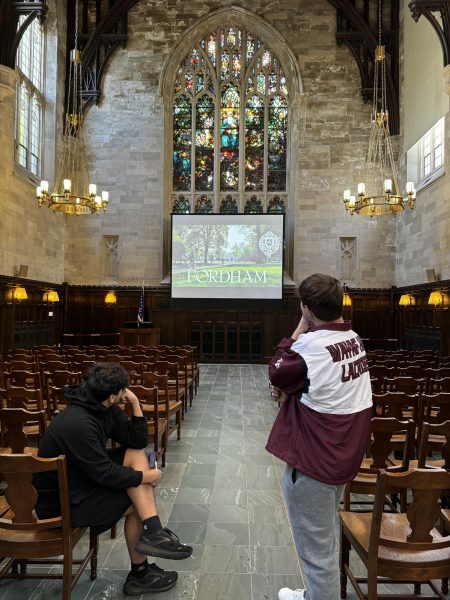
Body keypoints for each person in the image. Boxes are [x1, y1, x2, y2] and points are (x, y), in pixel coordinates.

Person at [33, 362, 192, 596]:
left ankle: (153, 533)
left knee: (138, 456)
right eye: (123, 390)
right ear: (112, 395)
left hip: (79, 479)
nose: (126, 392)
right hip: (62, 501)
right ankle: (141, 571)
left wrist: (136, 404)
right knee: (137, 502)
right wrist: (146, 476)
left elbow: (137, 442)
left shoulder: (102, 407)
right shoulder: (78, 423)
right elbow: (103, 474)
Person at [266, 274, 372, 600]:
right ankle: (312, 594)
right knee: (322, 538)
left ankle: (320, 594)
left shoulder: (310, 347)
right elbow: (308, 381)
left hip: (315, 462)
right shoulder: (353, 338)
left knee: (318, 556)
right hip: (343, 454)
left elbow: (278, 370)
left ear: (308, 309)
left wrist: (300, 325)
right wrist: (290, 389)